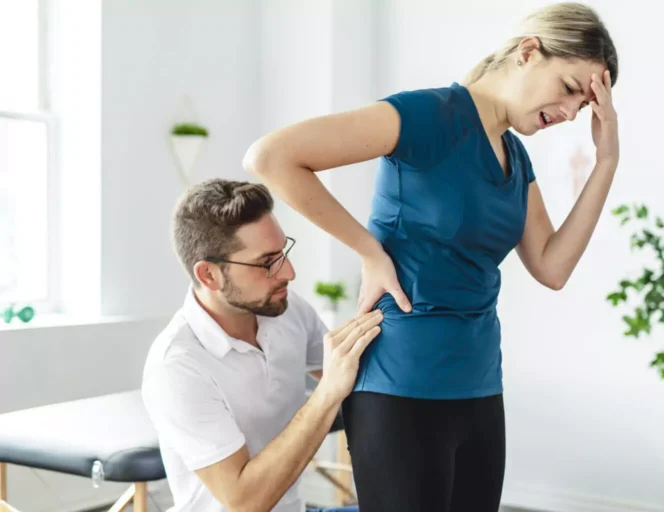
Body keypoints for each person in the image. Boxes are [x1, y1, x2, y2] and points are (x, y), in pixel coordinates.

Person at [242, 2, 619, 511]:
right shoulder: (428, 115)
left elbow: (552, 267)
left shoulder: (515, 156)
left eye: (584, 105)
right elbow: (271, 157)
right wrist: (368, 249)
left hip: (480, 387)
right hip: (401, 383)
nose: (572, 113)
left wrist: (607, 161)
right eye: (571, 89)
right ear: (529, 52)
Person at [141, 178, 380, 512]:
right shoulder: (176, 366)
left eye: (284, 252)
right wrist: (327, 394)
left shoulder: (286, 309)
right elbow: (246, 502)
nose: (289, 272)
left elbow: (355, 373)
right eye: (267, 262)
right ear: (209, 275)